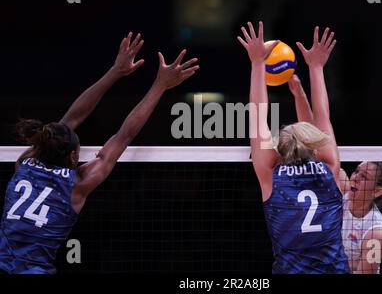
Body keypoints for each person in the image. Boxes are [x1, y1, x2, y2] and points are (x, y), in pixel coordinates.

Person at [0, 32, 199, 274]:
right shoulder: (78, 184)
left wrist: (115, 71)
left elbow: (70, 120)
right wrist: (160, 85)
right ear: (74, 157)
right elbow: (124, 136)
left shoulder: (25, 163)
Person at [237, 22, 350, 273]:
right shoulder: (328, 168)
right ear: (312, 144)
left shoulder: (272, 175)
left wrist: (257, 64)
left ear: (279, 150)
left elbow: (256, 114)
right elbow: (322, 116)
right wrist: (317, 67)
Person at [288, 72, 382, 274]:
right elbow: (313, 139)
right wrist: (298, 94)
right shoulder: (341, 187)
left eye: (364, 177)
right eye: (357, 171)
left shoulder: (376, 231)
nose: (355, 177)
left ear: (377, 191)